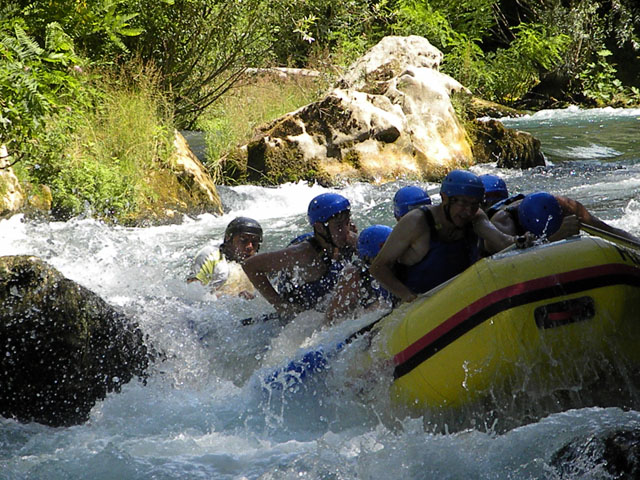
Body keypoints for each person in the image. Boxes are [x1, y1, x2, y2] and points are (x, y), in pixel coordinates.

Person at [370, 169, 521, 304]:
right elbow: (378, 268)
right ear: (444, 199)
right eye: (462, 203)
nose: (467, 211)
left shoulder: (475, 217)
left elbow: (501, 240)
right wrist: (409, 297)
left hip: (458, 299)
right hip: (419, 305)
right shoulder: (416, 222)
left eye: (474, 205)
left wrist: (519, 241)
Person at [243, 192, 357, 321]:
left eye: (347, 222)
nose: (346, 230)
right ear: (320, 227)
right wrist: (280, 306)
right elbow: (250, 265)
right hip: (299, 316)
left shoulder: (348, 240)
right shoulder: (303, 253)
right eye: (339, 226)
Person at [492, 191, 640, 243]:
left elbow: (608, 230)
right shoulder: (502, 223)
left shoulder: (565, 207)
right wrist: (555, 237)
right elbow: (512, 256)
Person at [324, 224, 397, 324]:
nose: (390, 259)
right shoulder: (356, 275)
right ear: (368, 260)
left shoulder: (404, 258)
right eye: (381, 257)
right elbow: (331, 318)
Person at [187, 216, 263, 299]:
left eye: (254, 242)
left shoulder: (259, 266)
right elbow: (192, 295)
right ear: (228, 239)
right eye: (243, 240)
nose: (249, 246)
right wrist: (230, 296)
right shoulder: (210, 255)